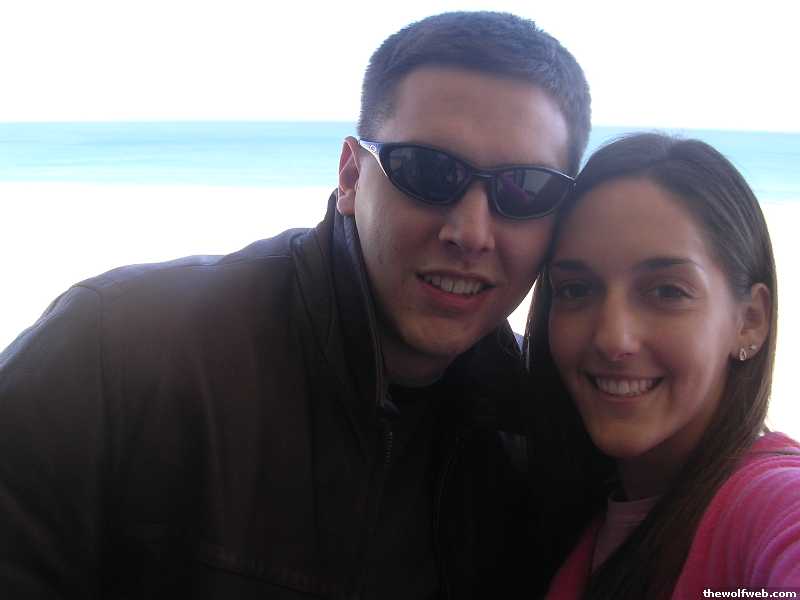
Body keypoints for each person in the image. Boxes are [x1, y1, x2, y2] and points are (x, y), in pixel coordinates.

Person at [0, 11, 592, 599]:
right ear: (351, 177)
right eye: (428, 172)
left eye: (525, 188)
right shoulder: (115, 351)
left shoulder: (541, 430)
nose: (470, 233)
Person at [525, 133, 800, 599]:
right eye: (575, 290)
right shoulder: (575, 512)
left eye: (668, 292)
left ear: (750, 321)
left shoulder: (768, 504)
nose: (613, 338)